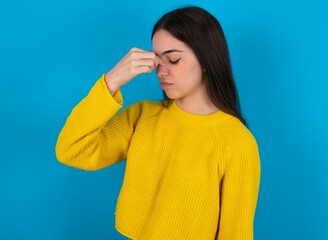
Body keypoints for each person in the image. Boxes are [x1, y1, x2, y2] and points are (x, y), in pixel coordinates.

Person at [55, 6, 261, 240]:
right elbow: (70, 150)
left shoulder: (237, 142)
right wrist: (111, 82)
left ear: (206, 58)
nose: (161, 71)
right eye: (156, 60)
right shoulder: (143, 116)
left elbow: (236, 234)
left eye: (173, 59)